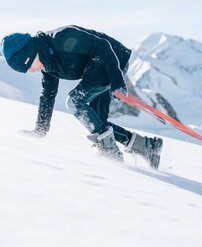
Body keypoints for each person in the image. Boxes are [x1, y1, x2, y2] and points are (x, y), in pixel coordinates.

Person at [0, 25, 163, 168]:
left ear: (30, 54)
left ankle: (109, 150)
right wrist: (40, 129)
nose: (31, 71)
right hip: (95, 67)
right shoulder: (48, 66)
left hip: (111, 58)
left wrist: (117, 81)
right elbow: (48, 95)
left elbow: (102, 46)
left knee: (75, 102)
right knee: (98, 121)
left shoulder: (61, 38)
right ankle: (147, 147)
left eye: (28, 66)